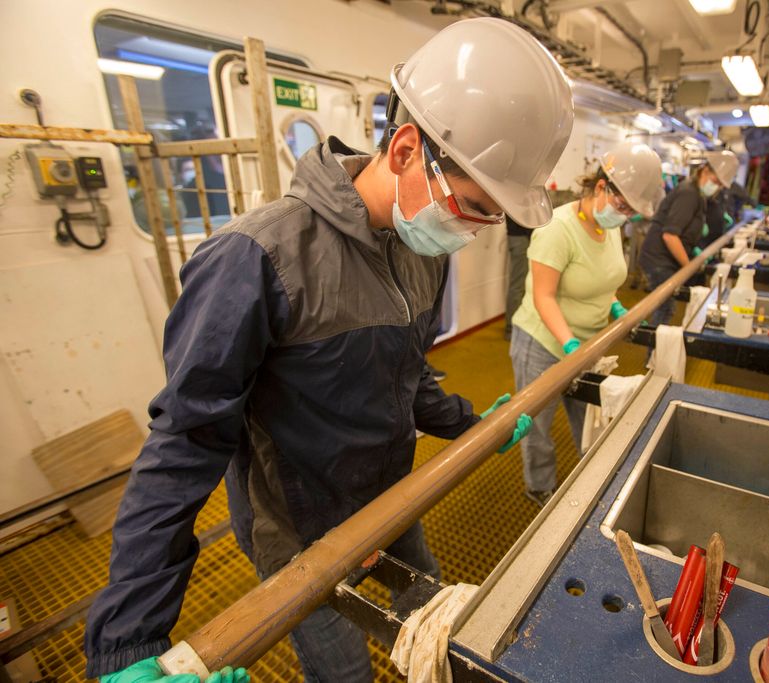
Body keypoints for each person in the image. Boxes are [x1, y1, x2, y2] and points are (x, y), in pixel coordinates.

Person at [84, 18, 573, 683]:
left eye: (493, 216)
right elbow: (184, 447)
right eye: (473, 205)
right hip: (302, 536)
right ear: (404, 150)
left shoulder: (421, 252)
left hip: (393, 498)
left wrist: (468, 420)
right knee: (346, 673)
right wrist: (128, 640)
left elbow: (405, 374)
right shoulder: (257, 257)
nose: (477, 230)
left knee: (437, 628)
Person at [509, 142, 664, 506]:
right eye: (622, 205)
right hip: (544, 342)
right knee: (537, 426)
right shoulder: (557, 228)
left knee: (591, 416)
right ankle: (540, 487)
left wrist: (616, 309)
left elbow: (603, 282)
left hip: (588, 345)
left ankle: (591, 481)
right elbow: (543, 296)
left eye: (631, 211)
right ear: (601, 188)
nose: (624, 215)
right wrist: (568, 345)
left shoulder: (609, 227)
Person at [638, 150, 739, 328]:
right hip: (659, 259)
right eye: (716, 182)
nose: (717, 188)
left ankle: (657, 349)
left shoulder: (698, 195)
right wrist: (689, 266)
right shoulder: (689, 193)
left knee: (666, 308)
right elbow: (670, 235)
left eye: (721, 185)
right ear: (705, 171)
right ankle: (655, 352)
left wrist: (693, 250)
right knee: (665, 308)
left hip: (666, 258)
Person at [504, 214, 532, 340]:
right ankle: (511, 329)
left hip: (525, 235)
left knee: (523, 285)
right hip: (520, 236)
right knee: (518, 285)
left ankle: (515, 327)